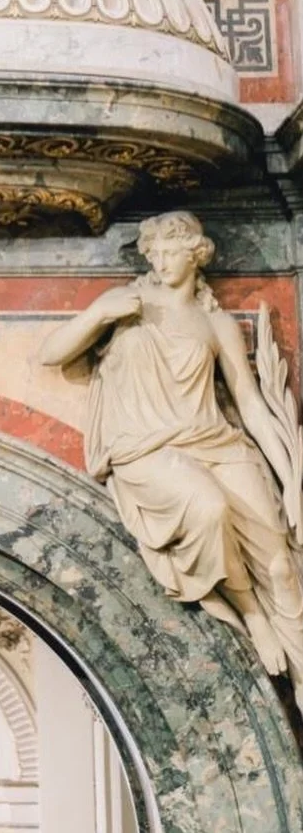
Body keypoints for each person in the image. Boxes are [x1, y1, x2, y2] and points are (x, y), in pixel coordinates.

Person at [41, 211, 303, 708]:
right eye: (153, 252)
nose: (160, 261)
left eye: (170, 250)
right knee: (208, 509)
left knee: (282, 565)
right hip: (147, 449)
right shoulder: (127, 306)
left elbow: (248, 402)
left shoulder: (215, 322)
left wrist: (291, 478)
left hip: (217, 441)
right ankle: (251, 614)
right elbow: (52, 354)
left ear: (196, 254)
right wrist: (99, 315)